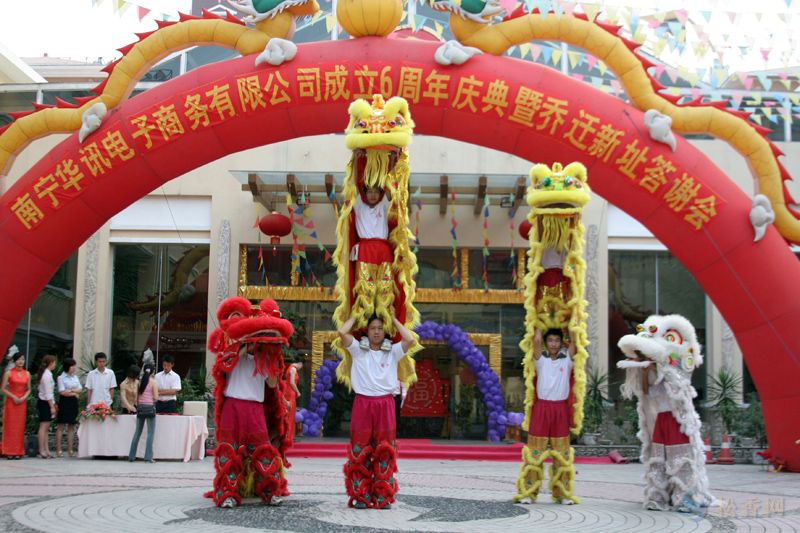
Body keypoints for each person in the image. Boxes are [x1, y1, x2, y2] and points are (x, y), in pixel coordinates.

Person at [338, 312, 415, 510]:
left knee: (385, 449)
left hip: (385, 404)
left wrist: (394, 319)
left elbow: (410, 339)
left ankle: (383, 496)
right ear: (367, 331)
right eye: (372, 328)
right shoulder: (358, 349)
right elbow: (342, 332)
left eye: (380, 328)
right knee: (360, 449)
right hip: (363, 403)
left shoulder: (393, 351)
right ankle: (360, 495)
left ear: (385, 331)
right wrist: (355, 316)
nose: (376, 332)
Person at [523, 328, 578, 505]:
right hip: (541, 409)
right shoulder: (541, 360)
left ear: (561, 342)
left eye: (557, 340)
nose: (553, 344)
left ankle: (562, 494)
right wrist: (538, 320)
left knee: (562, 454)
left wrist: (573, 322)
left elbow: (574, 340)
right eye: (550, 340)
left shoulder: (567, 359)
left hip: (560, 410)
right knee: (534, 452)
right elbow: (536, 341)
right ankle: (528, 493)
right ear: (546, 343)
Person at [350, 183, 395, 332]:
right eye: (369, 192)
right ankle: (364, 331)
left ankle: (386, 331)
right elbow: (352, 183)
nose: (373, 195)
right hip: (365, 250)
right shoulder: (359, 205)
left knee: (385, 290)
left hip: (383, 251)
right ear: (365, 193)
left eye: (376, 192)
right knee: (365, 291)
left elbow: (391, 189)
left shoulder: (384, 204)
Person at [1, 347, 30, 459]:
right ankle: (9, 451)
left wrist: (23, 398)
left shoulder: (27, 373)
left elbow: (29, 389)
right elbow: (2, 389)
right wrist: (13, 397)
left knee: (19, 427)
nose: (21, 361)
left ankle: (18, 451)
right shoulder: (8, 373)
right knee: (10, 426)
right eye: (18, 359)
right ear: (14, 361)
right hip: (11, 402)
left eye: (22, 359)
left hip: (22, 403)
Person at [128, 364, 159, 463]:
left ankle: (131, 456)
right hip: (150, 408)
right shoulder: (153, 382)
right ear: (153, 371)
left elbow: (137, 396)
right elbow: (156, 397)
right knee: (150, 433)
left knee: (137, 432)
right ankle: (148, 457)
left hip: (140, 408)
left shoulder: (139, 382)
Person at [54, 358, 82, 458]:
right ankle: (58, 449)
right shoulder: (61, 377)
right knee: (61, 426)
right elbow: (62, 391)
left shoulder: (75, 377)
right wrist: (74, 393)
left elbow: (80, 389)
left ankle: (70, 449)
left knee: (71, 426)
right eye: (72, 366)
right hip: (64, 402)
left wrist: (70, 390)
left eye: (74, 366)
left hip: (73, 403)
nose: (74, 368)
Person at [36, 355, 57, 459]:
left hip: (45, 402)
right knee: (43, 427)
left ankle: (46, 449)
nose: (55, 365)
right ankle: (41, 449)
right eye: (54, 362)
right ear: (51, 363)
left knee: (46, 428)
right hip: (45, 402)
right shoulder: (46, 375)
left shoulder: (47, 374)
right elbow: (48, 393)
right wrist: (52, 406)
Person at [283, 359, 303, 449]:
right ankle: (289, 437)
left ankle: (288, 436)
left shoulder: (289, 368)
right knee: (290, 415)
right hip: (290, 392)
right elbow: (292, 382)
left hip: (288, 391)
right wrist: (298, 392)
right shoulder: (293, 369)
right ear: (300, 364)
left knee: (289, 414)